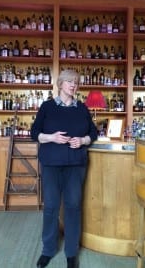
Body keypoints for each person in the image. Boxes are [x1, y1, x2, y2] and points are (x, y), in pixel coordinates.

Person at [31, 69, 98, 268]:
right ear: (60, 84)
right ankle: (48, 250)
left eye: (76, 82)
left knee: (73, 207)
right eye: (69, 81)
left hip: (75, 165)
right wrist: (51, 137)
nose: (73, 85)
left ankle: (71, 252)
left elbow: (93, 132)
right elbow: (34, 133)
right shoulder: (47, 107)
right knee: (51, 206)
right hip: (51, 163)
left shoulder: (82, 108)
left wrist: (83, 140)